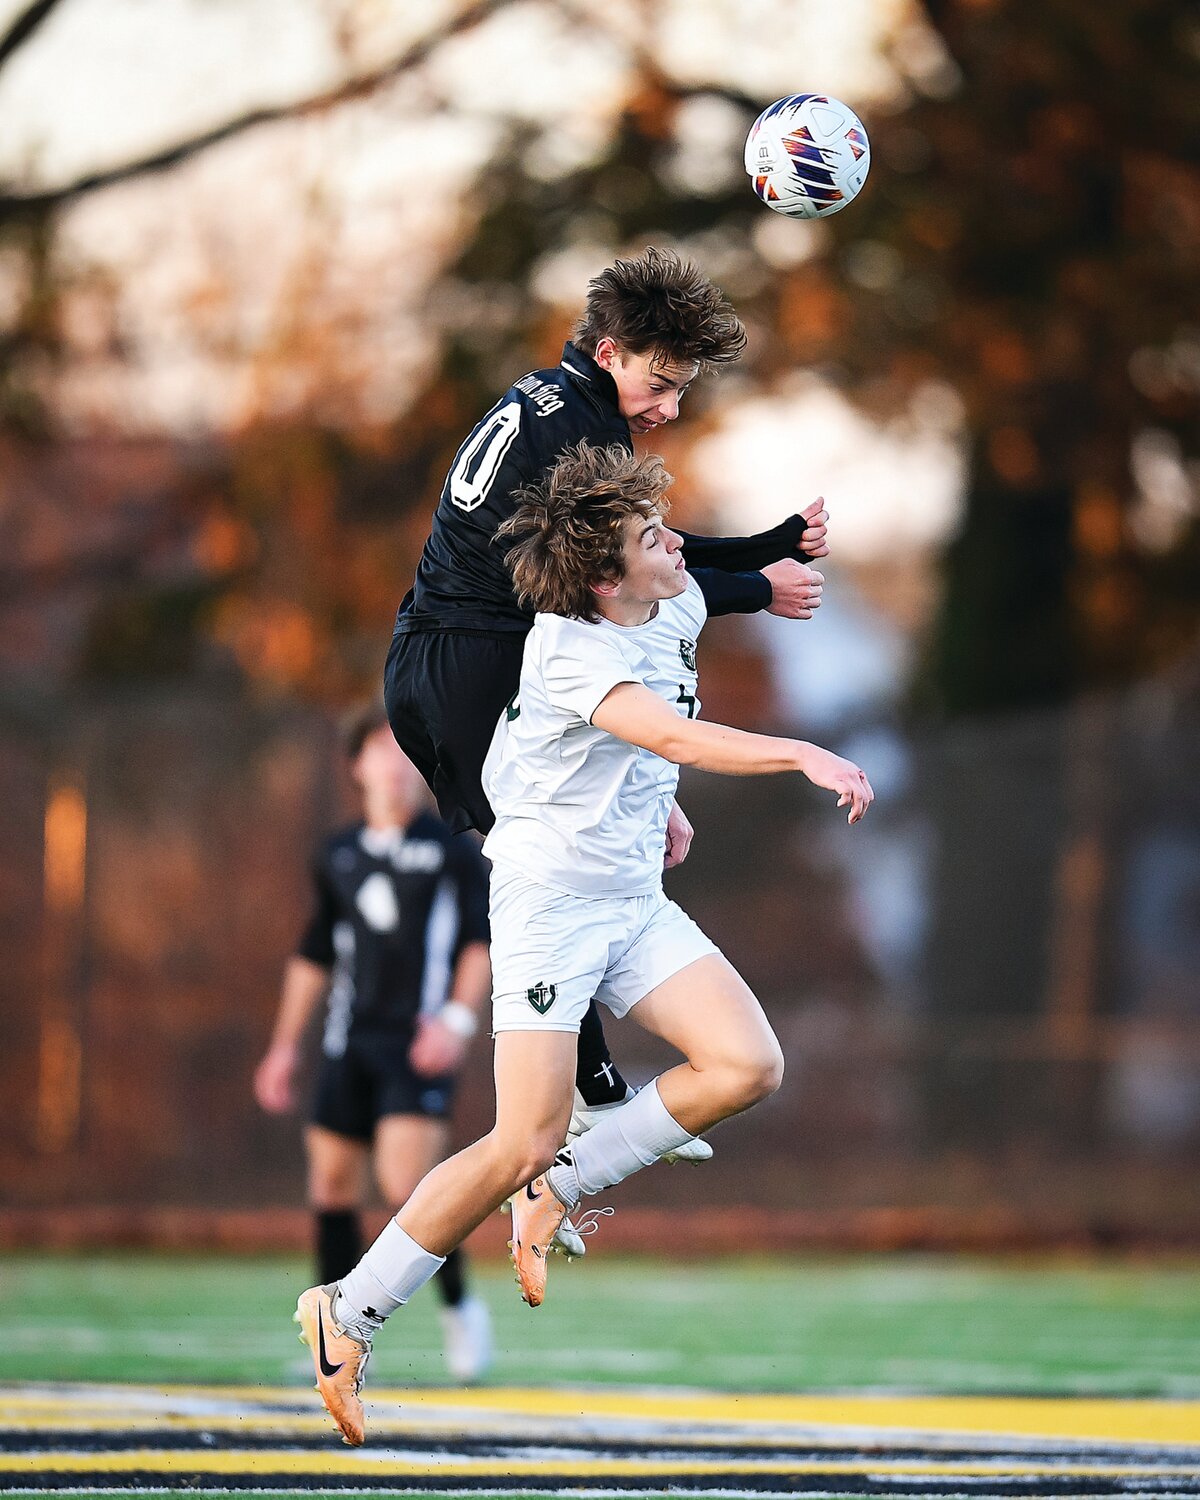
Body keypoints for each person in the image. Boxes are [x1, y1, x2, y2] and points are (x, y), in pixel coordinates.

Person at [297, 442, 872, 1446]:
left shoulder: (676, 597)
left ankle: (560, 1186)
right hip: (548, 903)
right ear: (606, 580)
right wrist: (800, 752)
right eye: (656, 538)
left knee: (748, 1064)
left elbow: (663, 730)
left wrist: (776, 563)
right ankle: (346, 1312)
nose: (675, 543)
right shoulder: (569, 647)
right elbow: (677, 734)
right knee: (517, 1132)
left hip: (630, 897)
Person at [385, 244, 830, 1144]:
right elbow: (634, 565)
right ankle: (582, 1099)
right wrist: (761, 569)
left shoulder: (554, 398)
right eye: (659, 382)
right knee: (541, 874)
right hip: (470, 665)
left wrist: (765, 549)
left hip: (443, 659)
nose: (669, 406)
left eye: (682, 388)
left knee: (557, 849)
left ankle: (583, 1095)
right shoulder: (580, 432)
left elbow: (647, 551)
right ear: (607, 351)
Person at [254, 703, 494, 1383]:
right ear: (356, 765)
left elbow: (479, 943)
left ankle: (460, 1309)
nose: (393, 765)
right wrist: (283, 1046)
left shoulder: (452, 849)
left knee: (405, 1187)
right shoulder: (337, 854)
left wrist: (455, 1020)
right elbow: (313, 953)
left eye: (404, 753)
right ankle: (331, 1337)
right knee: (331, 1185)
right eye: (379, 752)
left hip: (415, 1044)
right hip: (345, 1043)